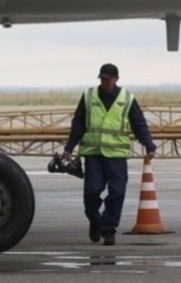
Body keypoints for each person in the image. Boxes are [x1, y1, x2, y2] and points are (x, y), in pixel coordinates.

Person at [63, 63, 156, 246]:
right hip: (94, 153)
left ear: (116, 79)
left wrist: (148, 144)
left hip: (117, 155)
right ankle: (96, 221)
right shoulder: (89, 96)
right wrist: (69, 147)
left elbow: (138, 123)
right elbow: (79, 122)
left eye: (108, 79)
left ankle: (108, 229)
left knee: (117, 192)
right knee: (92, 192)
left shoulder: (127, 99)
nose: (105, 82)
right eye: (102, 79)